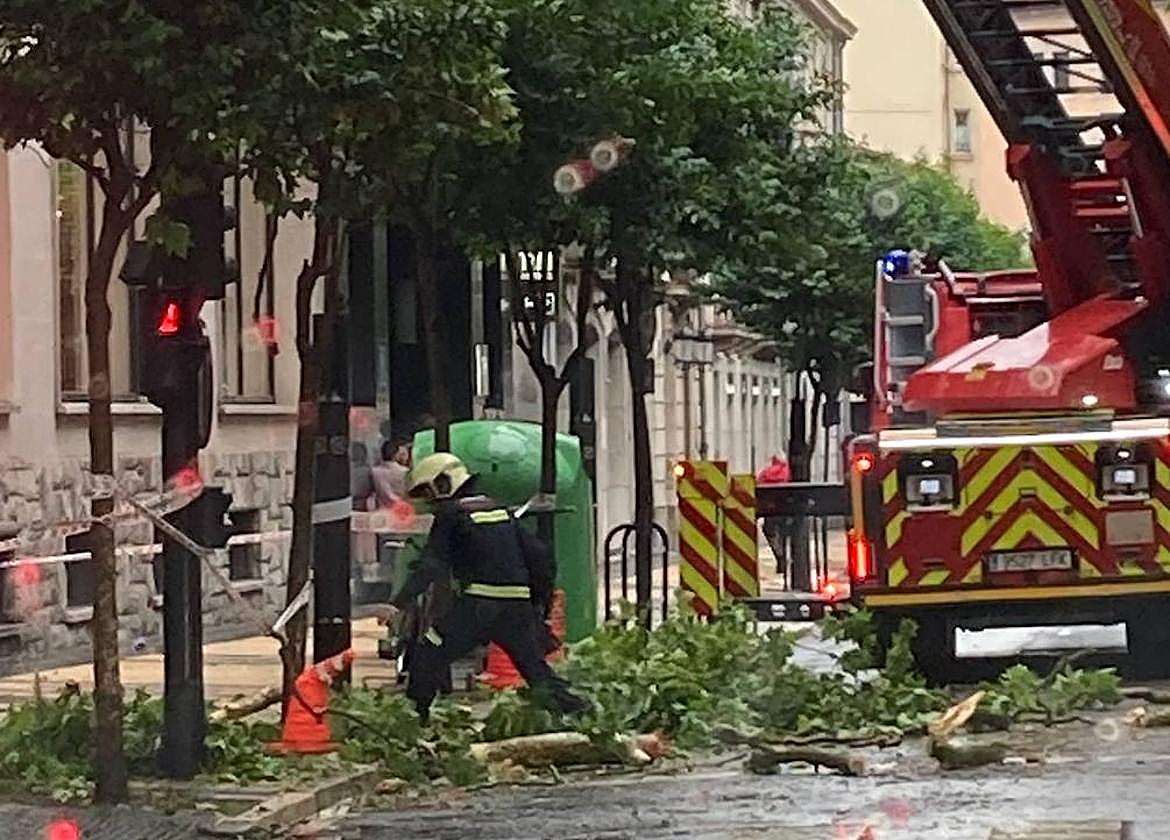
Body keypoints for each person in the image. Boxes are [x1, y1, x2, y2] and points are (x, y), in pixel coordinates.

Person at [377, 452, 591, 721]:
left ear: (445, 482)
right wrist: (538, 605)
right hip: (516, 609)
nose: (430, 501)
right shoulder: (500, 510)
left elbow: (431, 565)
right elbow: (540, 558)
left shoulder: (451, 514)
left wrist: (397, 603)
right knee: (536, 672)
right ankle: (586, 716)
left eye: (429, 491)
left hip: (477, 605)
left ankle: (413, 722)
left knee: (427, 654)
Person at [757, 454, 794, 577]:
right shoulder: (788, 471)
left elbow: (758, 486)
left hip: (770, 512)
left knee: (770, 533)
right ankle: (786, 558)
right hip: (786, 511)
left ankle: (780, 556)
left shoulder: (766, 472)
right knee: (785, 536)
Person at [370, 436, 412, 508]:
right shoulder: (405, 471)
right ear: (396, 454)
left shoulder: (374, 472)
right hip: (401, 509)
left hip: (382, 510)